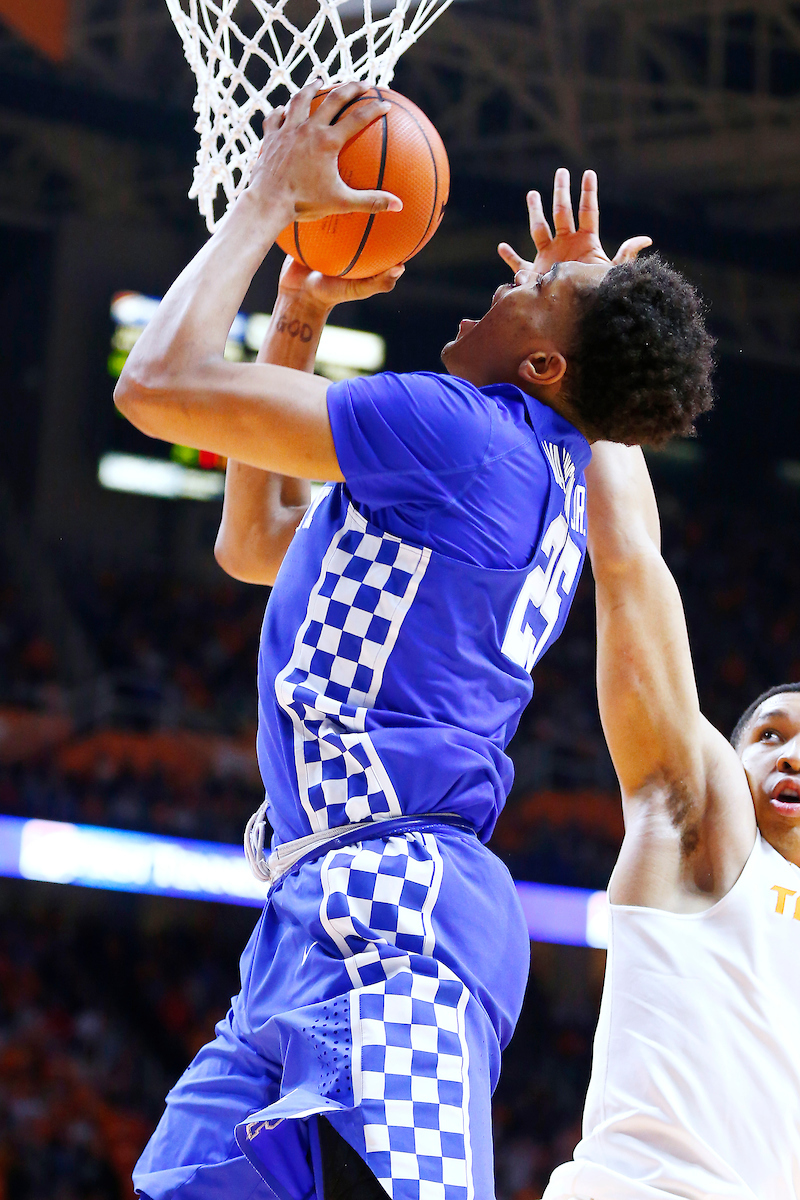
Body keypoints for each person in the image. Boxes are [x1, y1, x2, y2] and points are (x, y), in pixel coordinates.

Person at [115, 82, 714, 1200]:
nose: (505, 280)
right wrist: (298, 315)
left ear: (542, 369)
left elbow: (156, 387)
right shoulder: (530, 464)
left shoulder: (459, 434)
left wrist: (260, 204)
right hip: (323, 904)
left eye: (533, 292)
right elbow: (257, 544)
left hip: (398, 909)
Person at [543, 442, 800, 1200]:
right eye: (769, 736)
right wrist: (611, 403)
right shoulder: (707, 841)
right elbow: (634, 569)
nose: (790, 757)